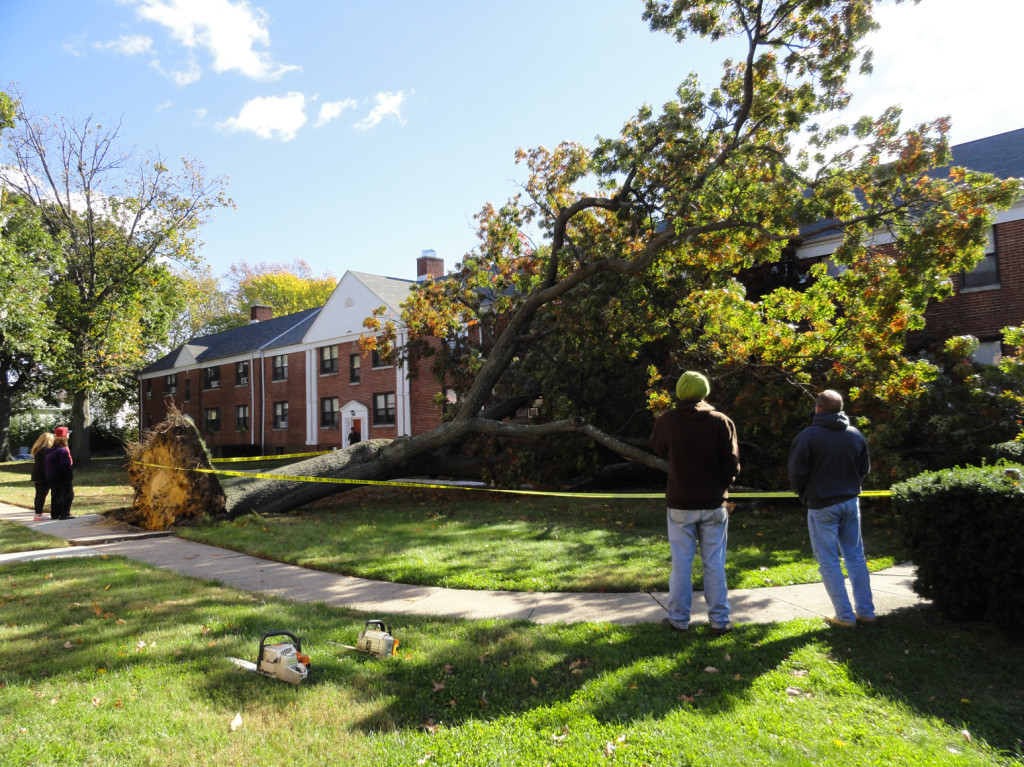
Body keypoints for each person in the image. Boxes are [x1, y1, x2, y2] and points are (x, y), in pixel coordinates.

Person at [649, 371, 740, 634]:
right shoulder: (722, 421)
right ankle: (720, 621)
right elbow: (732, 464)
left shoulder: (668, 420)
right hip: (714, 503)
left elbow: (657, 446)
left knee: (681, 563)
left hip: (680, 502)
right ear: (705, 392)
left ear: (679, 392)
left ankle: (678, 619)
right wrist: (722, 484)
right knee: (714, 564)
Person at [788, 390, 876, 628]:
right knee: (856, 556)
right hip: (850, 502)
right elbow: (863, 469)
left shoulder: (808, 436)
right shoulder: (855, 435)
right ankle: (866, 612)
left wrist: (805, 496)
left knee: (828, 561)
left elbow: (797, 474)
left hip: (822, 505)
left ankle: (845, 616)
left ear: (818, 409)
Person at [45, 426, 75, 520]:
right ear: (65, 436)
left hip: (51, 475)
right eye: (68, 433)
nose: (69, 435)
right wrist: (69, 475)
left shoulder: (51, 449)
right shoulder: (63, 450)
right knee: (68, 494)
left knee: (56, 494)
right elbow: (65, 464)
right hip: (61, 476)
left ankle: (55, 514)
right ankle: (64, 513)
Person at [30, 432, 55, 521]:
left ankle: (38, 513)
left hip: (37, 474)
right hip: (43, 475)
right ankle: (38, 514)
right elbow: (46, 464)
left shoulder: (38, 449)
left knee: (39, 494)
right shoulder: (46, 450)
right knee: (42, 495)